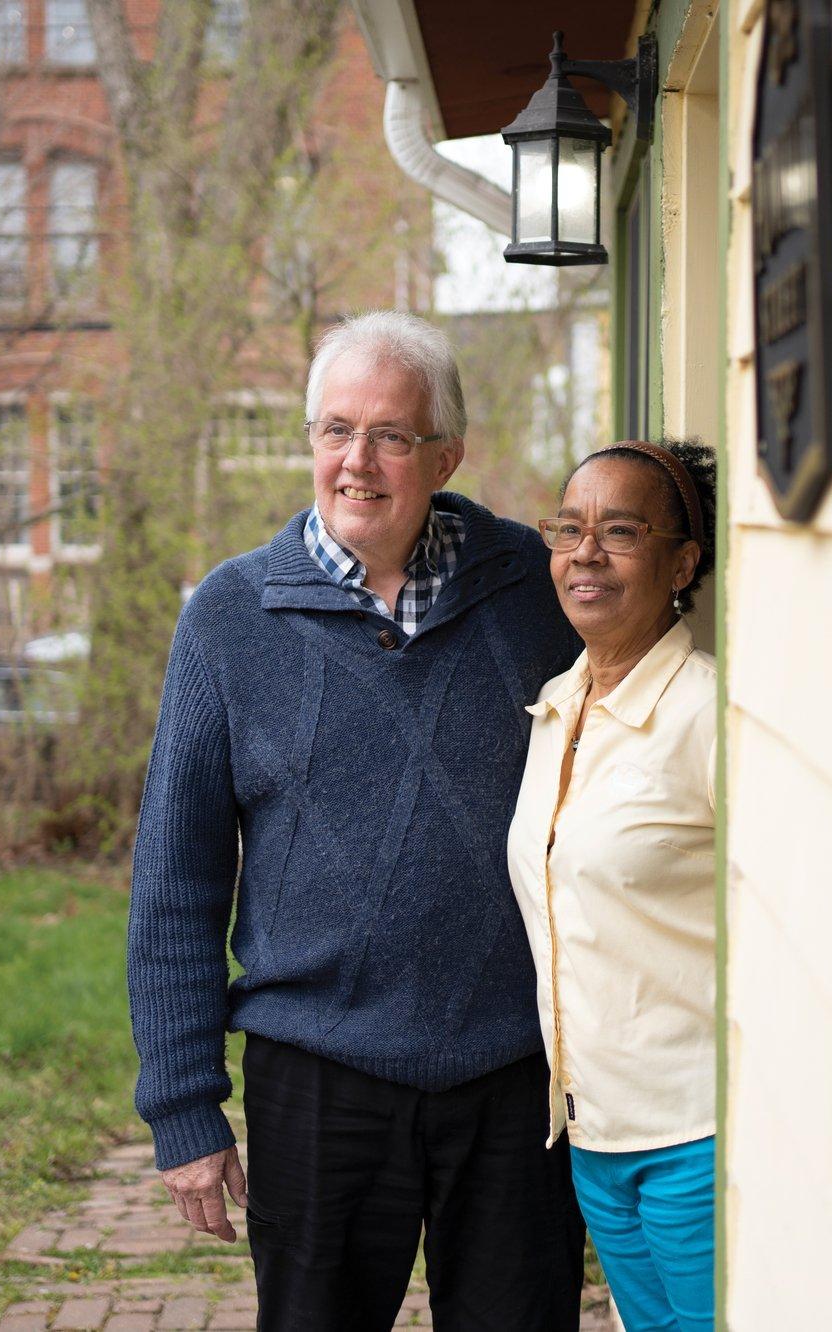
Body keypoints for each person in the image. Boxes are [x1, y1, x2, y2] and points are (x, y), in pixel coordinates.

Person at [127, 310, 587, 1331]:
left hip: (515, 1071)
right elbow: (177, 879)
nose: (356, 462)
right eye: (335, 431)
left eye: (389, 435)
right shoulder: (229, 618)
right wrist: (182, 1106)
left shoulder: (536, 593)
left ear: (446, 454)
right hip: (317, 1078)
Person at [507, 439, 720, 1332]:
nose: (584, 553)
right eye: (570, 528)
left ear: (681, 563)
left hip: (696, 1131)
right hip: (593, 1131)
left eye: (620, 531)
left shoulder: (709, 713)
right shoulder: (558, 704)